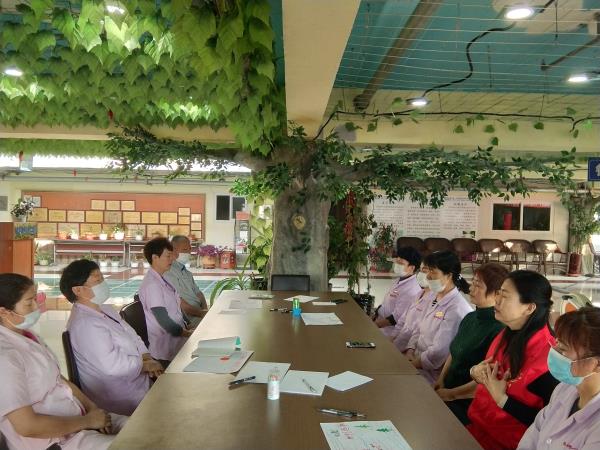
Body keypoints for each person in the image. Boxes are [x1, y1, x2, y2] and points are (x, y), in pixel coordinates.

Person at [0, 273, 126, 450]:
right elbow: (27, 426)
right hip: (56, 441)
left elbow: (59, 380)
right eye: (29, 303)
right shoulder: (5, 357)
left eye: (35, 299)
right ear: (4, 312)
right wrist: (87, 421)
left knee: (143, 425)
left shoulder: (28, 336)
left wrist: (92, 408)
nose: (36, 306)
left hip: (78, 421)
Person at [467, 270, 559, 450]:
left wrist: (503, 400)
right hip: (477, 429)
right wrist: (475, 372)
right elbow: (487, 377)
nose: (497, 300)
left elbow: (549, 423)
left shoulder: (548, 361)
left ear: (529, 308)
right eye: (498, 293)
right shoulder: (507, 333)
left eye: (505, 296)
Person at [60, 259, 164, 416]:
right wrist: (145, 366)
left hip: (138, 381)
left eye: (102, 278)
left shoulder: (105, 309)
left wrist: (146, 357)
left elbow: (132, 334)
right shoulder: (85, 324)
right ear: (78, 290)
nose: (103, 283)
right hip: (120, 396)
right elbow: (112, 367)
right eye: (97, 280)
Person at [434, 263, 508, 424]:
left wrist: (451, 394)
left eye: (478, 285)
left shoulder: (499, 329)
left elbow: (487, 379)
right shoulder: (470, 318)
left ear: (496, 293)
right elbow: (454, 352)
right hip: (446, 390)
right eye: (472, 283)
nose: (471, 289)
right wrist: (441, 379)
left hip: (466, 401)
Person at [518, 307, 600, 450]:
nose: (554, 351)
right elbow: (534, 433)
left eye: (563, 349)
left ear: (596, 364)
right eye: (557, 343)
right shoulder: (564, 389)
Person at [404, 250, 473, 384]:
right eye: (428, 271)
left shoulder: (457, 309)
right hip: (415, 360)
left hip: (431, 374)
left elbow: (439, 351)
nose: (428, 276)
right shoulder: (433, 296)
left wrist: (413, 364)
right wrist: (410, 350)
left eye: (433, 272)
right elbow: (418, 328)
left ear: (449, 275)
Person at [139, 237, 194, 363]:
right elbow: (163, 319)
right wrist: (187, 333)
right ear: (155, 257)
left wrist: (188, 323)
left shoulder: (164, 278)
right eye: (168, 256)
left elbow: (177, 305)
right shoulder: (152, 285)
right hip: (165, 350)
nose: (172, 259)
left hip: (178, 340)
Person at [373, 246, 422, 337]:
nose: (396, 265)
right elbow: (386, 303)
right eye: (397, 261)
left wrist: (373, 326)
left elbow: (395, 319)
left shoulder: (411, 290)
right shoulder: (399, 280)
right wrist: (374, 317)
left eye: (401, 263)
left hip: (389, 333)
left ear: (412, 268)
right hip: (380, 324)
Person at [164, 235, 208, 327]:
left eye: (189, 249)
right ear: (173, 250)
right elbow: (180, 304)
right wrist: (201, 313)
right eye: (184, 250)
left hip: (199, 314)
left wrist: (205, 310)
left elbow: (199, 293)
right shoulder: (168, 272)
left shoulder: (187, 273)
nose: (188, 253)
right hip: (187, 319)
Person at [391, 263, 431, 351]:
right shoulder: (419, 294)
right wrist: (392, 337)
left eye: (424, 271)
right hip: (399, 343)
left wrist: (409, 350)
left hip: (412, 350)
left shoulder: (433, 300)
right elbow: (402, 320)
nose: (420, 274)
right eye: (420, 270)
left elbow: (419, 330)